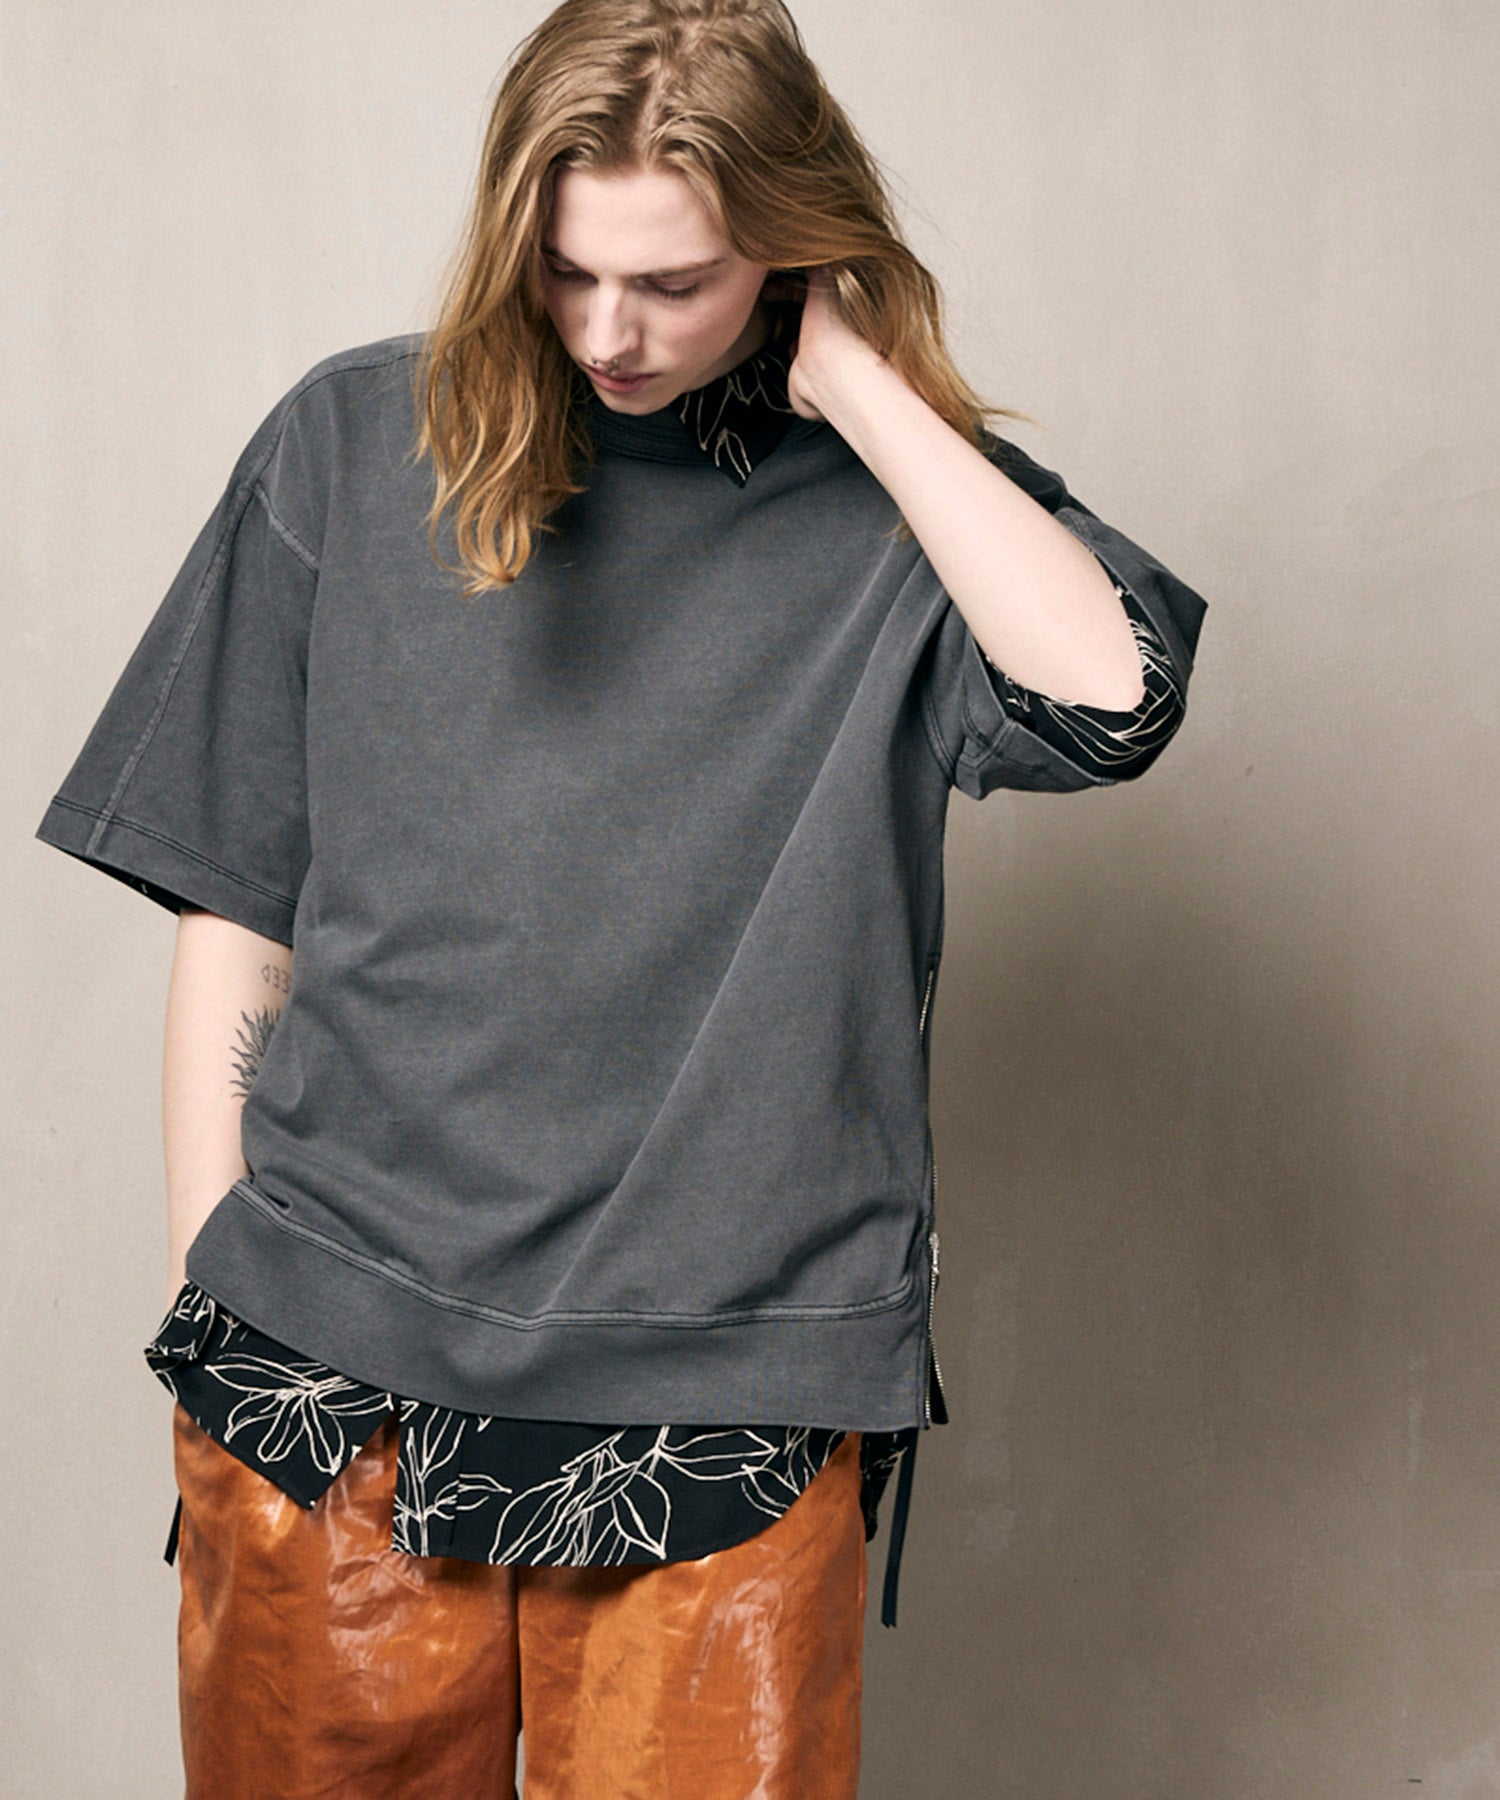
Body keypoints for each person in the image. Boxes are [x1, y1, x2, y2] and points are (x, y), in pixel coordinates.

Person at [34, 0, 1206, 1794]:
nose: (607, 332)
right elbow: (235, 896)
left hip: (724, 1404)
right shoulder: (349, 441)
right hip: (327, 1377)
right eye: (568, 271)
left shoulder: (901, 514)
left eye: (676, 281)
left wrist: (861, 387)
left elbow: (1114, 701)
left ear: (795, 249)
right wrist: (219, 1272)